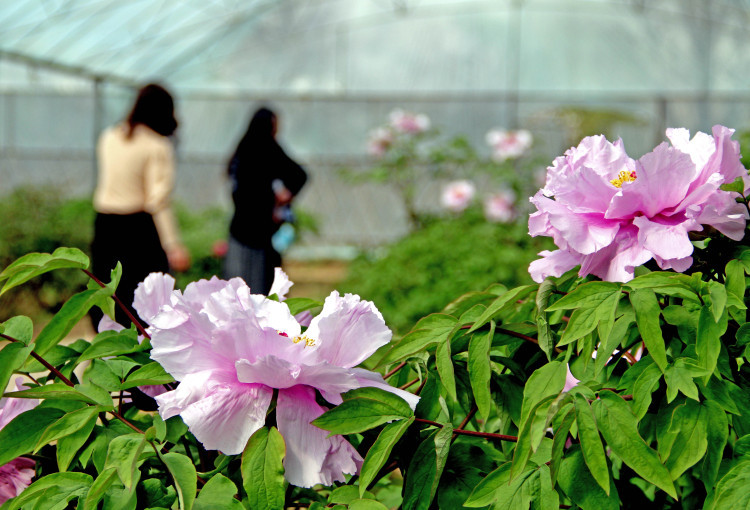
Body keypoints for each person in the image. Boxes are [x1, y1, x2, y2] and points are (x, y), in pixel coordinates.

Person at [91, 83, 190, 326]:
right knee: (145, 303)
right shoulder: (157, 145)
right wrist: (173, 245)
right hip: (138, 229)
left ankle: (107, 353)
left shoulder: (109, 137)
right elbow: (158, 201)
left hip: (104, 224)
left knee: (110, 293)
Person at [224, 107, 307, 294]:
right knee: (261, 284)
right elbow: (299, 175)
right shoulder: (268, 147)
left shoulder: (242, 148)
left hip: (240, 225)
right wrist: (284, 197)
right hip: (262, 226)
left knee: (236, 284)